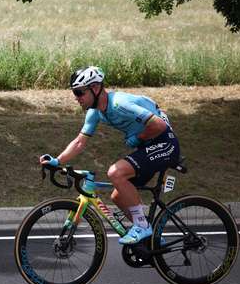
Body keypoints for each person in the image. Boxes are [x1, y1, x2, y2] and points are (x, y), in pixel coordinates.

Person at [40, 66, 180, 245]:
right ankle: (151, 238)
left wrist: (138, 137)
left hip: (165, 143)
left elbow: (159, 125)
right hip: (148, 147)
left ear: (96, 88)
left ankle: (142, 227)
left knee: (115, 172)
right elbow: (79, 142)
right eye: (75, 93)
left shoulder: (119, 104)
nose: (76, 98)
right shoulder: (95, 112)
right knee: (117, 196)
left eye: (79, 92)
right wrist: (57, 161)